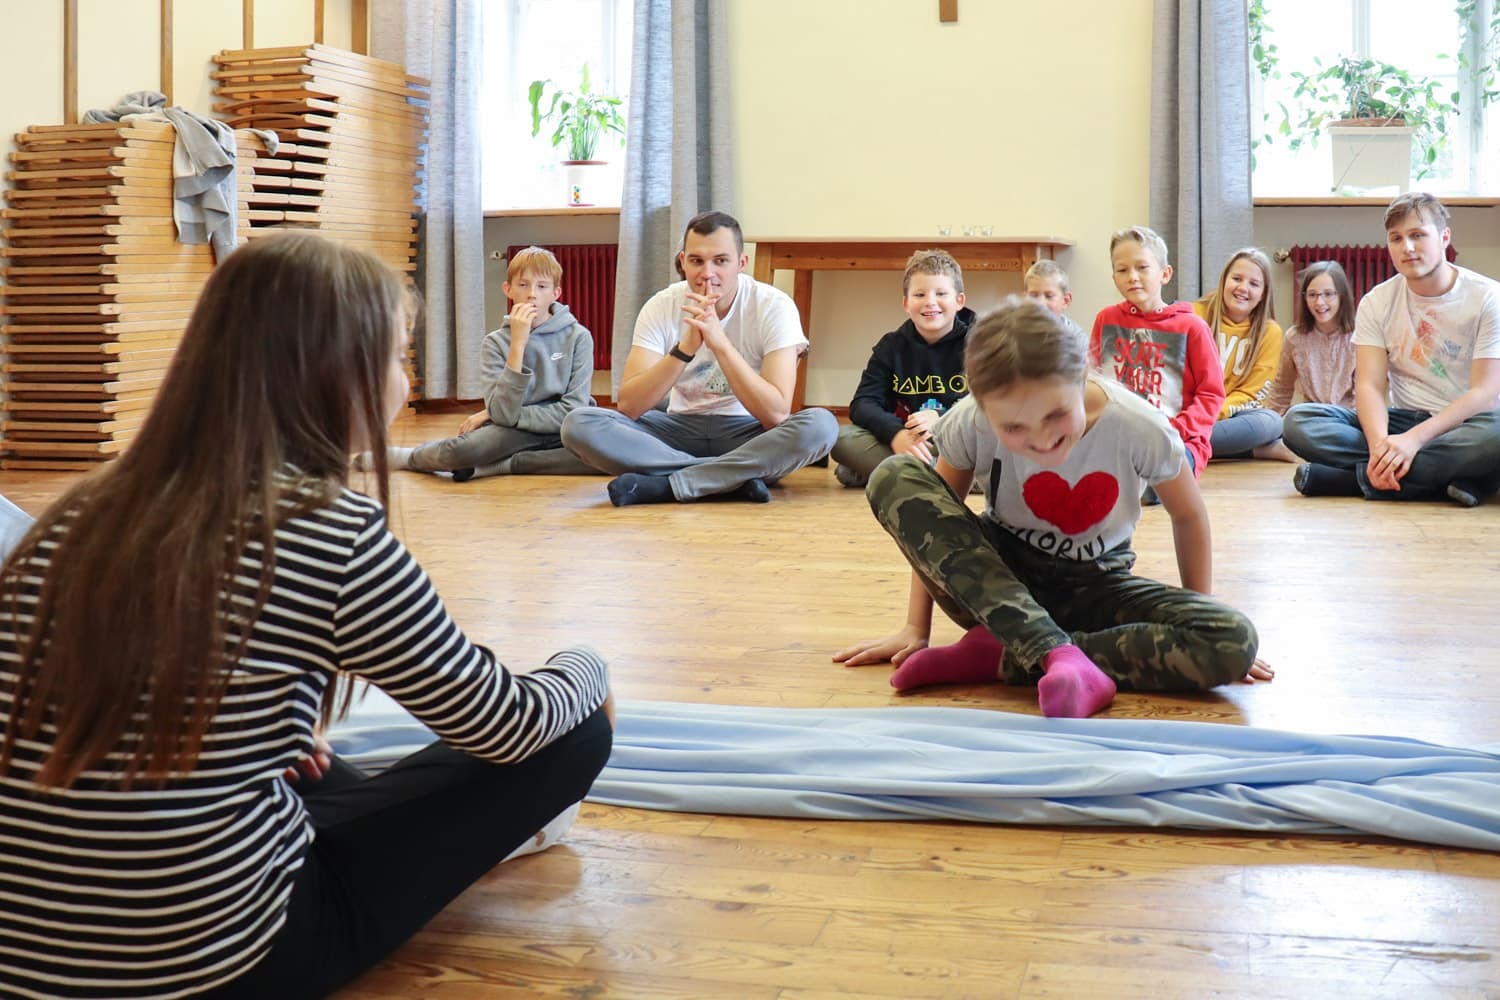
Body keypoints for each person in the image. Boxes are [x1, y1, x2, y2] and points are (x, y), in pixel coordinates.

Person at [0, 232, 614, 999]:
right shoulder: (329, 531)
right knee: (576, 730)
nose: (404, 383)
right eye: (397, 357)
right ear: (336, 374)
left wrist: (259, 734)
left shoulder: (86, 508)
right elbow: (505, 726)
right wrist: (587, 666)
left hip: (22, 950)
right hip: (206, 962)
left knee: (307, 760)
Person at [833, 299, 1267, 719]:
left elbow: (1188, 515)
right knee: (895, 476)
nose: (1041, 440)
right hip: (997, 588)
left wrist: (1199, 613)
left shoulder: (1139, 425)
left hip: (1099, 586)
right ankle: (1047, 650)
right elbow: (937, 521)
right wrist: (917, 628)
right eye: (1014, 427)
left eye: (1055, 415)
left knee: (1232, 639)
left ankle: (1004, 657)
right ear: (983, 406)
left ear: (1081, 378)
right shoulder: (971, 419)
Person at [561, 210, 839, 505]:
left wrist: (720, 345)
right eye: (696, 261)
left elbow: (776, 414)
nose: (707, 273)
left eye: (721, 261)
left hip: (747, 433)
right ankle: (729, 480)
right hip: (677, 431)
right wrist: (685, 349)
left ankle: (670, 483)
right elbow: (630, 405)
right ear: (683, 261)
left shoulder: (774, 305)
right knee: (578, 424)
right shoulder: (661, 305)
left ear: (741, 264)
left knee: (821, 425)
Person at [1283, 193, 1500, 506]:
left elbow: (1485, 394)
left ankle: (1354, 481)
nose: (1407, 247)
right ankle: (1460, 477)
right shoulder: (1376, 301)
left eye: (1417, 235)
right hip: (1405, 419)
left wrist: (1414, 441)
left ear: (1444, 238)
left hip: (1467, 424)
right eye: (1396, 238)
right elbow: (1370, 386)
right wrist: (1379, 447)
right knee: (1299, 421)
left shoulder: (1488, 297)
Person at [370, 245, 598, 481]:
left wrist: (503, 416)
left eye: (542, 286)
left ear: (556, 293)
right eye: (523, 285)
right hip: (514, 431)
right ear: (508, 290)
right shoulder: (495, 343)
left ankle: (502, 466)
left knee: (611, 455)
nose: (532, 294)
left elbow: (572, 410)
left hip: (564, 429)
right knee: (461, 451)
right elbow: (503, 414)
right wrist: (518, 344)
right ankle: (409, 457)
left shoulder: (579, 337)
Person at [1089, 226, 1225, 504]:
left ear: (1165, 274)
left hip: (1175, 441)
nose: (1132, 277)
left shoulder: (1192, 327)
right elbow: (1092, 380)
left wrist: (1176, 430)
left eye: (1142, 267)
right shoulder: (1106, 319)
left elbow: (1211, 394)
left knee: (1153, 489)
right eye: (1122, 270)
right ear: (1114, 277)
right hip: (1116, 438)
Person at [830, 249, 977, 488]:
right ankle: (943, 477)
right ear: (906, 303)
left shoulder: (981, 342)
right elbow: (863, 403)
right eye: (920, 294)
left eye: (941, 293)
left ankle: (901, 473)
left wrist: (942, 419)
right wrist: (896, 434)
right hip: (909, 441)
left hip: (958, 440)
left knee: (996, 442)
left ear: (959, 301)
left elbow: (993, 405)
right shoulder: (891, 346)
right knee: (840, 439)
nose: (930, 301)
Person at [1194, 248, 1297, 462]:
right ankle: (1251, 450)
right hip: (1189, 410)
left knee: (1272, 422)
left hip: (1229, 415)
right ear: (1224, 280)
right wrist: (1196, 414)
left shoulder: (1270, 332)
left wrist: (1214, 414)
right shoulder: (1193, 314)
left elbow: (1253, 394)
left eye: (1254, 284)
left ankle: (1179, 442)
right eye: (1237, 279)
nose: (1243, 288)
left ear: (1263, 294)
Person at [1264, 260, 1358, 415]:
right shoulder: (1294, 337)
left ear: (1342, 295)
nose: (1319, 302)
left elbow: (1363, 396)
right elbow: (1281, 388)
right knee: (1294, 416)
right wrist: (1271, 421)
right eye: (1312, 295)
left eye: (1328, 294)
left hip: (1347, 417)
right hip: (1311, 416)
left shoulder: (1358, 337)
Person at [1024, 259, 1084, 335]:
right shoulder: (1016, 331)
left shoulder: (1076, 337)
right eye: (1033, 296)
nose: (1040, 303)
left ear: (1066, 301)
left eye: (1049, 296)